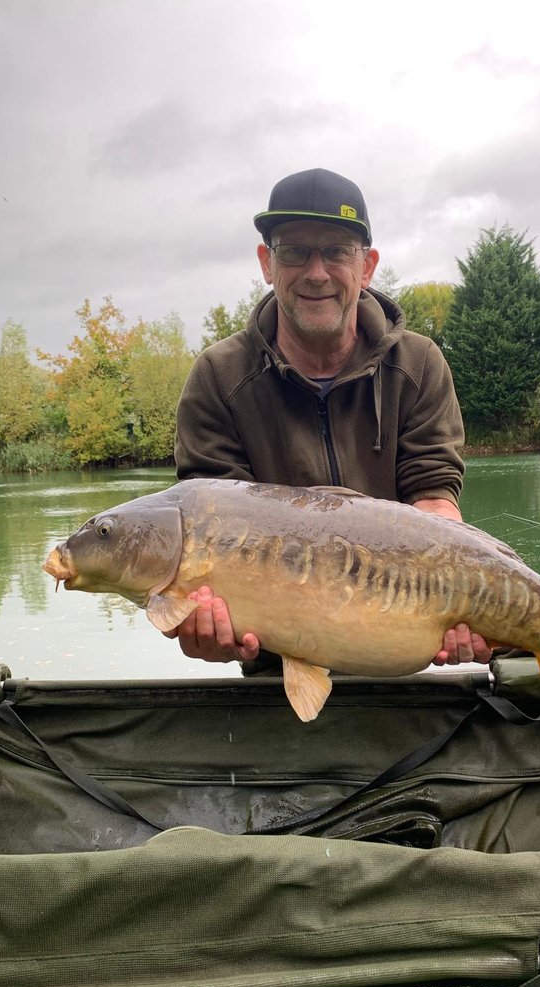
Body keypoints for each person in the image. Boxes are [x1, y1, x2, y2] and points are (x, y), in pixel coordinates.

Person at [169, 167, 491, 670]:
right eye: (295, 251)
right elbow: (210, 532)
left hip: (398, 650)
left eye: (337, 251)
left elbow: (434, 502)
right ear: (266, 263)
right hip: (275, 672)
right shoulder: (219, 377)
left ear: (366, 267)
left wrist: (467, 601)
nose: (316, 272)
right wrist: (202, 626)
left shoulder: (418, 364)